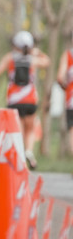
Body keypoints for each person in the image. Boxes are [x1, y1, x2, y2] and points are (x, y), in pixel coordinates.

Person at [0, 31, 49, 169]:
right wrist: (37, 52)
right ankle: (28, 151)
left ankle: (20, 155)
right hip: (30, 100)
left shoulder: (10, 58)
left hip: (14, 101)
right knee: (30, 129)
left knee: (19, 130)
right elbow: (47, 61)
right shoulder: (32, 59)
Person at [56, 32, 73, 160]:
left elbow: (60, 78)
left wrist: (65, 88)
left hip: (71, 99)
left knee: (72, 130)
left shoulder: (68, 55)